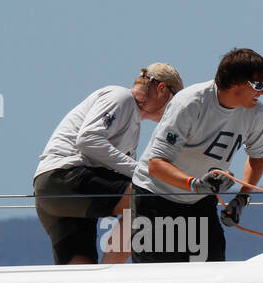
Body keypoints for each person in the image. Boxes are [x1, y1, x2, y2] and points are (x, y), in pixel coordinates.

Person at [130, 48, 263, 262]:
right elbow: (156, 165)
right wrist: (194, 184)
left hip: (200, 200)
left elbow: (258, 156)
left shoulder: (256, 114)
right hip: (155, 198)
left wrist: (242, 197)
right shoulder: (190, 103)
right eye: (259, 85)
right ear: (235, 83)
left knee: (212, 274)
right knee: (159, 280)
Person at [33, 64, 183, 264]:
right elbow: (87, 140)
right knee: (149, 201)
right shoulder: (122, 97)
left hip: (50, 191)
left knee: (79, 275)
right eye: (174, 104)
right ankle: (111, 274)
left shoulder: (131, 122)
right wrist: (142, 172)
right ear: (162, 89)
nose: (173, 113)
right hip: (66, 177)